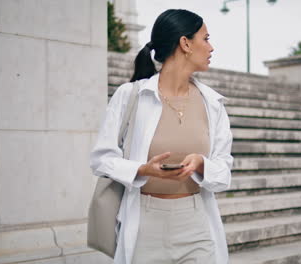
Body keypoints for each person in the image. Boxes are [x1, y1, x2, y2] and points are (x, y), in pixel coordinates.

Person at [90, 9, 233, 264]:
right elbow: (101, 159)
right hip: (145, 225)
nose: (211, 47)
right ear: (185, 43)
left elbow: (224, 173)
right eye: (206, 38)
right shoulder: (130, 95)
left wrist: (202, 164)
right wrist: (143, 170)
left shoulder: (213, 103)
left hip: (196, 224)